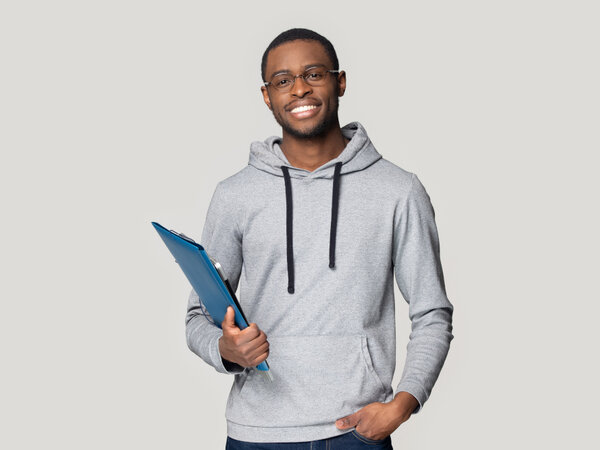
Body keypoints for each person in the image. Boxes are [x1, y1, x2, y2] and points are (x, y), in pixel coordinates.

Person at [185, 28, 454, 449]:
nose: (299, 89)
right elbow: (197, 317)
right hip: (256, 434)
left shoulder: (398, 190)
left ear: (339, 82)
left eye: (313, 74)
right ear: (267, 95)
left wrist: (404, 403)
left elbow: (432, 311)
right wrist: (225, 349)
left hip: (355, 433)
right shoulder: (235, 195)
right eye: (283, 80)